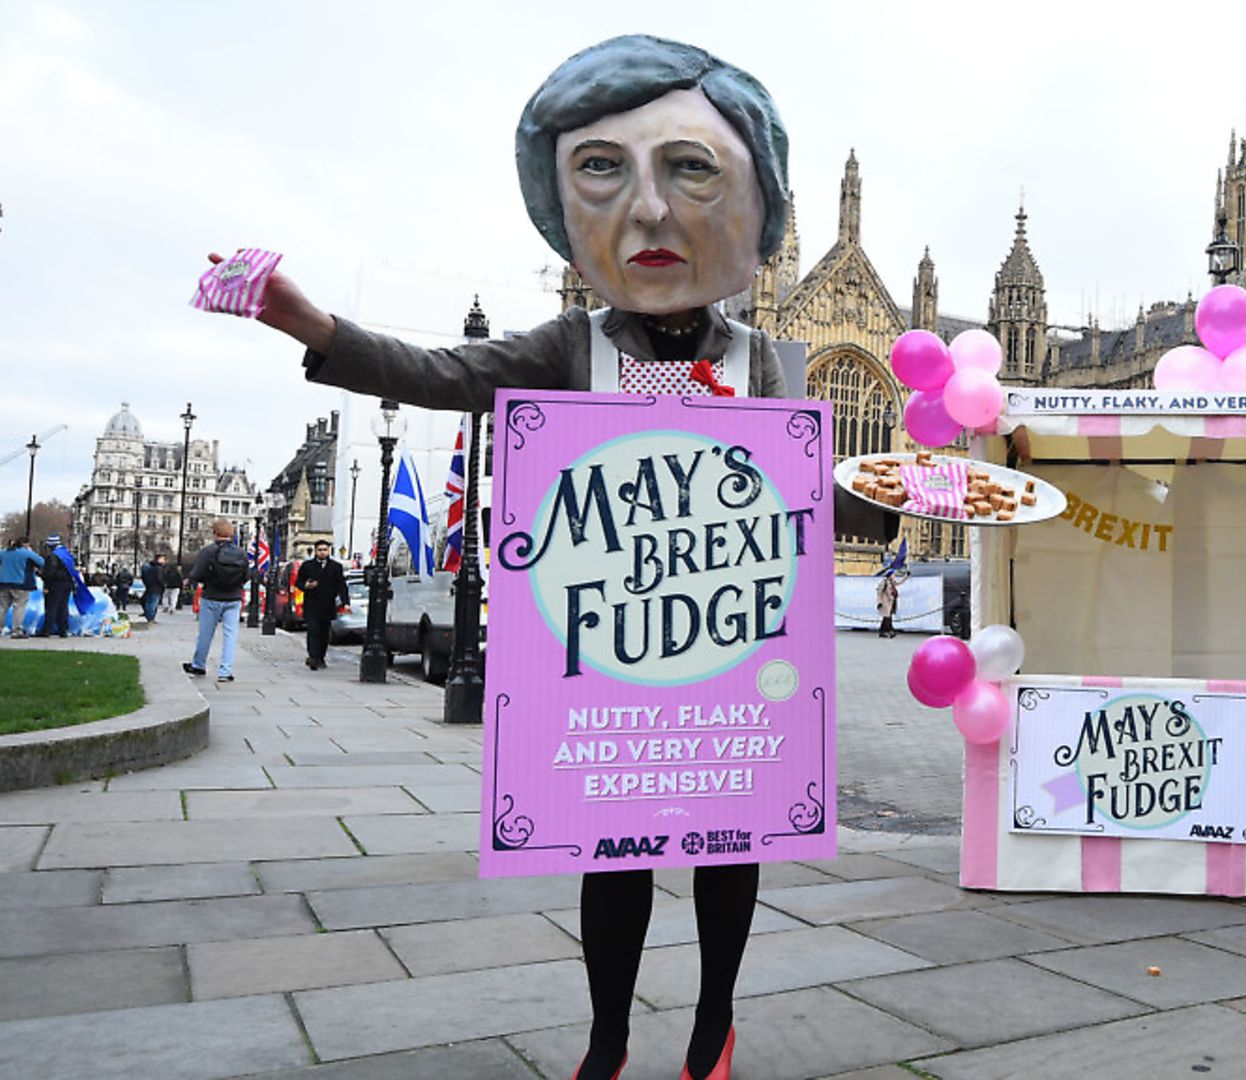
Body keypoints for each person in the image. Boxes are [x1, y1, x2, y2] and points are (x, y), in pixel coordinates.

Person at [222, 36, 894, 1080]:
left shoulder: (768, 359)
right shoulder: (568, 347)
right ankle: (608, 1040)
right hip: (610, 639)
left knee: (733, 844)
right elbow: (438, 370)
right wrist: (315, 326)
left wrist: (919, 493)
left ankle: (713, 1033)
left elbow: (812, 486)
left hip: (727, 634)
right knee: (613, 847)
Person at [182, 519, 250, 683]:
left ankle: (199, 664)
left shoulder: (208, 551)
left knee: (205, 634)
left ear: (215, 533)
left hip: (211, 596)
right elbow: (247, 576)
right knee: (230, 635)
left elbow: (197, 574)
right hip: (233, 598)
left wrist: (192, 580)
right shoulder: (241, 553)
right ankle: (225, 671)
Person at [295, 540, 348, 669]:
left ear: (329, 550)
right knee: (313, 631)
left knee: (324, 634)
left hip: (327, 605)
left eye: (325, 549)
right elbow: (299, 582)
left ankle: (321, 657)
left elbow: (341, 586)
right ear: (315, 551)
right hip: (312, 604)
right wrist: (306, 586)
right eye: (320, 550)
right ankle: (313, 657)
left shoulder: (336, 567)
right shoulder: (307, 565)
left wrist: (345, 602)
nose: (322, 552)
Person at [37, 534, 80, 638]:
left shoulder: (53, 556)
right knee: (63, 607)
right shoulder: (67, 554)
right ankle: (63, 630)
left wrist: (41, 575)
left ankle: (47, 630)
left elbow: (50, 572)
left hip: (56, 583)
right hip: (68, 583)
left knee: (51, 607)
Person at [0, 537, 44, 638]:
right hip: (20, 583)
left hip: (3, 582)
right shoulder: (26, 553)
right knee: (19, 607)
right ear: (25, 545)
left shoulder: (3, 552)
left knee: (2, 607)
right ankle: (16, 630)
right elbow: (41, 562)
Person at [141, 555, 167, 623]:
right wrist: (163, 585)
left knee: (149, 602)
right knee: (153, 603)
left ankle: (149, 616)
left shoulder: (149, 568)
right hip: (156, 588)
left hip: (149, 588)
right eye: (163, 559)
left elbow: (144, 577)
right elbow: (160, 578)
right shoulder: (159, 568)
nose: (164, 561)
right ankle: (151, 617)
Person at [875, 571, 899, 638]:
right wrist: (879, 601)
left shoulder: (892, 582)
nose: (894, 576)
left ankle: (882, 631)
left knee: (887, 617)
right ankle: (889, 631)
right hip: (885, 601)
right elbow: (879, 592)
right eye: (893, 575)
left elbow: (899, 583)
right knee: (887, 617)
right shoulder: (884, 582)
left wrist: (906, 576)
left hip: (890, 601)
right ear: (890, 575)